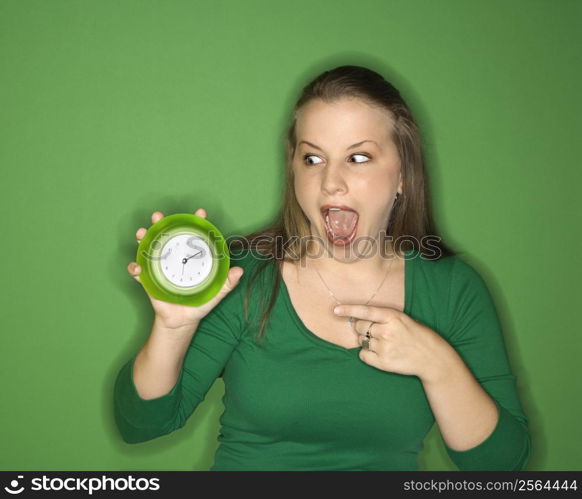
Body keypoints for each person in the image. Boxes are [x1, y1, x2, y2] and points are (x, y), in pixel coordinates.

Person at [114, 65, 531, 471]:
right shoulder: (240, 276)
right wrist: (172, 329)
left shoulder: (452, 290)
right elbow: (142, 425)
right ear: (293, 169)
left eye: (359, 157)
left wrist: (438, 365)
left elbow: (498, 463)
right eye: (313, 159)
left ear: (402, 174)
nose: (331, 182)